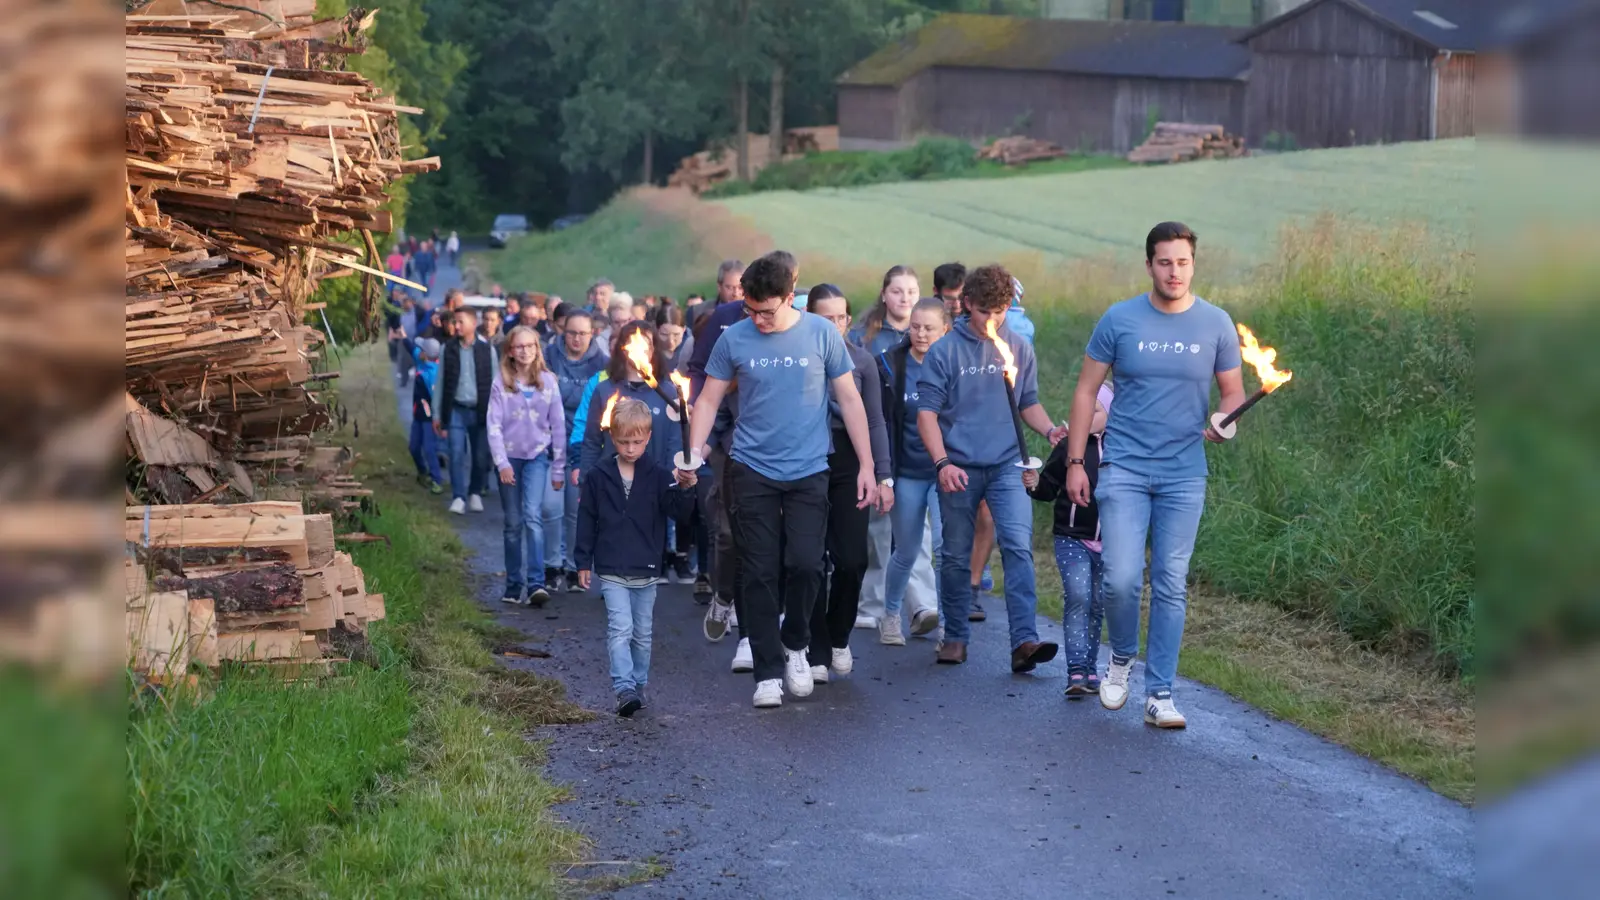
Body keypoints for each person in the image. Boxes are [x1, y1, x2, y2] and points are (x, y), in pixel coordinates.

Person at [1063, 221, 1245, 729]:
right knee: (1120, 580)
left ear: (1193, 264)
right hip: (1123, 467)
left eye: (1182, 262)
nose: (1174, 271)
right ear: (1149, 265)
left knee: (1170, 581)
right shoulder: (1120, 319)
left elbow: (1233, 393)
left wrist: (1222, 423)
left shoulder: (1216, 323)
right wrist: (1077, 461)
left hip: (1184, 473)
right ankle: (1121, 656)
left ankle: (1160, 692)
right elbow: (1084, 392)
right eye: (1164, 262)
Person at [688, 251, 876, 709]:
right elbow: (709, 401)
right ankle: (768, 670)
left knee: (808, 564)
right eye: (750, 310)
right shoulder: (735, 338)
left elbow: (850, 401)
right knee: (759, 569)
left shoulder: (820, 334)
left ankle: (796, 643)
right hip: (751, 467)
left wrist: (869, 466)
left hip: (810, 468)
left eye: (766, 310)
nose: (758, 319)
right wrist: (693, 454)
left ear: (791, 296)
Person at [916, 263, 1063, 672]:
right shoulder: (945, 350)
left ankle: (1024, 642)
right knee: (956, 555)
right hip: (958, 467)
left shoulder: (1018, 346)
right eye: (984, 311)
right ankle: (956, 637)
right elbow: (926, 414)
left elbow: (1027, 402)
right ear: (966, 305)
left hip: (1006, 466)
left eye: (1000, 311)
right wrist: (942, 462)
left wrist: (1051, 430)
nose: (992, 320)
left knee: (1017, 547)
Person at [575, 398, 698, 717]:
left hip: (646, 569)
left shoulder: (657, 475)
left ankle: (638, 685)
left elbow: (680, 515)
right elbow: (587, 518)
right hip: (612, 568)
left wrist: (686, 489)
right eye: (624, 441)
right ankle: (623, 687)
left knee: (642, 632)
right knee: (620, 628)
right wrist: (582, 561)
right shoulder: (599, 476)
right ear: (612, 438)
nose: (630, 448)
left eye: (638, 442)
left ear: (647, 438)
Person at [804, 284, 893, 682]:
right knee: (810, 561)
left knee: (853, 559)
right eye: (827, 318)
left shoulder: (862, 361)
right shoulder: (799, 358)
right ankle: (817, 647)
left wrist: (882, 474)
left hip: (850, 461)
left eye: (842, 317)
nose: (837, 325)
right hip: (805, 460)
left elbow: (875, 420)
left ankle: (839, 634)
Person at [1027, 381, 1112, 697]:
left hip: (1112, 543)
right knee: (1079, 598)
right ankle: (1076, 670)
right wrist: (1033, 484)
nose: (1088, 415)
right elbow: (1047, 490)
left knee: (1098, 604)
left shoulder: (1123, 448)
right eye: (1084, 408)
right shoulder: (1068, 448)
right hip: (1072, 538)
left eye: (1097, 409)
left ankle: (1091, 671)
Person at [848, 266, 922, 631]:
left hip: (916, 442)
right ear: (884, 294)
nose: (904, 298)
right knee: (876, 528)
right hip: (878, 437)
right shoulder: (865, 337)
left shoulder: (927, 333)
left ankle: (920, 606)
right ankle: (872, 603)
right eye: (897, 291)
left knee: (913, 532)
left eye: (911, 291)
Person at [877, 297, 952, 645]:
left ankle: (949, 626)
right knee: (906, 550)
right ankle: (891, 615)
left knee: (945, 547)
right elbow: (882, 422)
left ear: (945, 329)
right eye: (916, 326)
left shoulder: (955, 364)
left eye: (929, 328)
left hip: (945, 472)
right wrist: (884, 475)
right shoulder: (892, 364)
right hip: (906, 471)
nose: (920, 334)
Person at [488, 326, 567, 607]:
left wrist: (558, 467)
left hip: (536, 457)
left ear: (537, 349)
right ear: (510, 351)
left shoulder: (548, 383)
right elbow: (493, 426)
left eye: (530, 346)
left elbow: (558, 426)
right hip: (509, 460)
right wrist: (501, 463)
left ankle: (536, 584)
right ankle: (513, 585)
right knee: (513, 523)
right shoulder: (501, 382)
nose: (525, 351)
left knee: (533, 516)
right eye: (519, 347)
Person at [546, 309, 608, 592]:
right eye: (571, 332)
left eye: (583, 333)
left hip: (582, 442)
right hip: (549, 440)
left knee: (575, 509)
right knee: (549, 508)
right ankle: (551, 563)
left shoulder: (602, 364)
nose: (576, 339)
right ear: (563, 331)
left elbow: (595, 403)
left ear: (592, 334)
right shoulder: (548, 356)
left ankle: (572, 566)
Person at [577, 321, 683, 478]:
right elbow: (592, 442)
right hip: (611, 484)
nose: (640, 350)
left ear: (653, 349)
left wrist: (669, 485)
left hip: (654, 485)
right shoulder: (605, 390)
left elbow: (674, 443)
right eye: (633, 343)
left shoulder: (668, 393)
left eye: (645, 345)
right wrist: (585, 483)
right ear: (624, 349)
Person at [433, 306, 498, 515]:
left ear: (473, 322)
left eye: (460, 322)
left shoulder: (487, 349)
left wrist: (497, 415)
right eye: (454, 322)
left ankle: (475, 492)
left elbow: (496, 385)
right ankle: (458, 496)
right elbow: (441, 381)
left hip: (480, 410)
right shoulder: (448, 348)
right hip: (456, 409)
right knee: (456, 453)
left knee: (480, 456)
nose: (456, 326)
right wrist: (436, 414)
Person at [408, 338, 445, 494]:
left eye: (421, 349)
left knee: (429, 449)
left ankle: (437, 480)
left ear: (426, 354)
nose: (419, 351)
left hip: (429, 418)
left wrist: (436, 417)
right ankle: (423, 472)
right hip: (418, 416)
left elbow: (435, 397)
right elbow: (412, 349)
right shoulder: (424, 365)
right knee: (414, 447)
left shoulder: (432, 373)